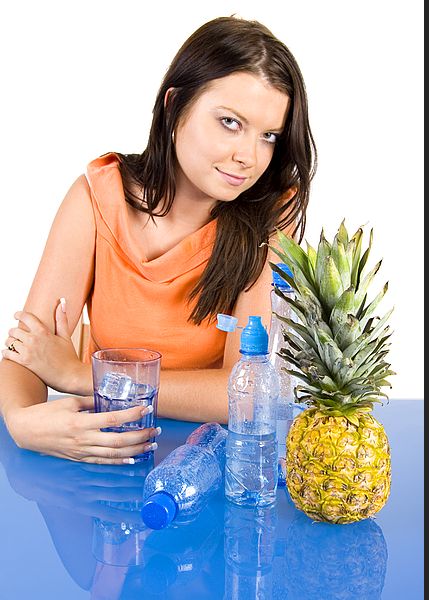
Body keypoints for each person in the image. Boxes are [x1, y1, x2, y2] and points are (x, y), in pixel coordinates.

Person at [0, 16, 316, 464]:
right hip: (100, 452)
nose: (248, 156)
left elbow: (244, 393)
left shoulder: (267, 223)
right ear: (174, 106)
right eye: (229, 122)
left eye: (268, 136)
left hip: (207, 465)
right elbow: (26, 352)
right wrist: (21, 421)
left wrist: (77, 375)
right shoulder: (96, 198)